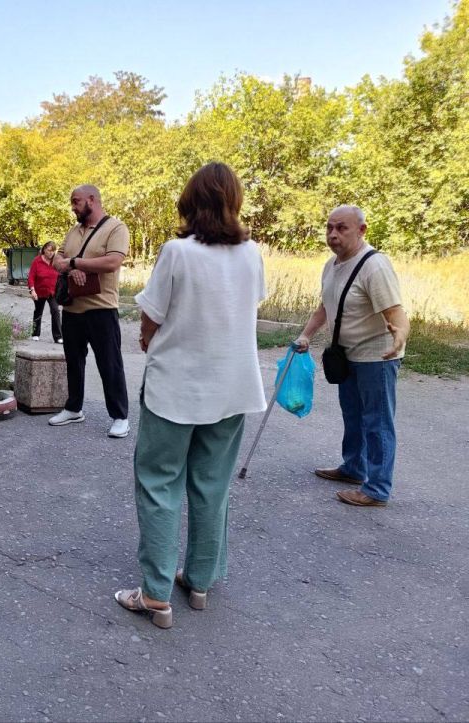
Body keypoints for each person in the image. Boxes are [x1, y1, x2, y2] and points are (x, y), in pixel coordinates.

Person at [113, 162, 267, 628]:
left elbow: (151, 316)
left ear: (189, 202)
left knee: (159, 483)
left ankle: (156, 593)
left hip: (176, 386)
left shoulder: (176, 252)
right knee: (211, 484)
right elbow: (245, 306)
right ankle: (199, 581)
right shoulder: (252, 254)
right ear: (233, 202)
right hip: (233, 386)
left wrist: (148, 338)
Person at [294, 205, 409, 507]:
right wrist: (306, 335)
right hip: (347, 356)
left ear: (361, 230)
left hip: (376, 357)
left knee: (377, 422)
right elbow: (325, 306)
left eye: (342, 228)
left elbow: (396, 312)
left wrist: (399, 335)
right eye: (329, 227)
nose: (333, 234)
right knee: (354, 416)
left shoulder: (375, 266)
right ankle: (354, 469)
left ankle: (377, 489)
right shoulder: (331, 265)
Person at [49, 184, 130, 438]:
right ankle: (74, 408)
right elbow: (56, 259)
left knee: (110, 364)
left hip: (101, 309)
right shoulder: (74, 231)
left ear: (92, 200)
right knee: (74, 362)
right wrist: (70, 268)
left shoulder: (116, 228)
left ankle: (120, 417)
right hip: (72, 308)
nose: (73, 207)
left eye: (76, 201)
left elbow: (113, 262)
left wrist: (75, 262)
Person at [27, 241, 63, 343]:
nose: (51, 253)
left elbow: (62, 273)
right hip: (39, 291)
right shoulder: (37, 261)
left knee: (55, 311)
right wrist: (32, 290)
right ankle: (35, 333)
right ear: (44, 250)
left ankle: (58, 337)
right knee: (38, 311)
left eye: (53, 251)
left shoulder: (56, 261)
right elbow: (31, 277)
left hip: (52, 291)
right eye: (49, 250)